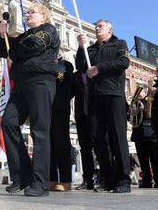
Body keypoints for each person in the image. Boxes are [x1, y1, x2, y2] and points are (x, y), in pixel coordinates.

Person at [0, 3, 60, 197]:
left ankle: (41, 182)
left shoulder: (48, 30)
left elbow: (34, 46)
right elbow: (2, 51)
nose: (28, 14)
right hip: (21, 84)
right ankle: (22, 176)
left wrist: (13, 50)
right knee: (8, 123)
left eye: (33, 12)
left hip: (40, 81)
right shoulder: (23, 36)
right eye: (27, 12)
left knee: (39, 130)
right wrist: (2, 34)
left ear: (43, 17)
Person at [75, 19, 131, 193]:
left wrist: (99, 67)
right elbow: (81, 67)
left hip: (114, 94)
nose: (97, 28)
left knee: (118, 137)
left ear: (110, 29)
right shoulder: (90, 49)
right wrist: (80, 47)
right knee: (97, 137)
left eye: (101, 26)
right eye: (96, 27)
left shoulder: (119, 43)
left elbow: (123, 62)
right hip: (95, 97)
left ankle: (123, 180)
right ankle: (108, 178)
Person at [49, 52, 75, 191]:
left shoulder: (66, 65)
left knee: (61, 144)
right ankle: (51, 179)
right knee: (49, 146)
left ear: (58, 54)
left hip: (60, 108)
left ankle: (65, 180)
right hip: (45, 109)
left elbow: (64, 77)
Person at [129, 88, 158, 188]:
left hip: (151, 134)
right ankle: (146, 180)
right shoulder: (134, 104)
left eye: (140, 92)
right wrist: (132, 112)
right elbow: (130, 118)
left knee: (155, 160)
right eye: (137, 92)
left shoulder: (150, 101)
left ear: (145, 92)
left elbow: (154, 115)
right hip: (138, 134)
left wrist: (143, 111)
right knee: (143, 161)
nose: (138, 94)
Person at [70, 69, 95, 190]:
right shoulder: (75, 76)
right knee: (85, 149)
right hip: (80, 116)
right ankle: (87, 180)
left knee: (101, 146)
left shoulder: (96, 70)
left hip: (96, 114)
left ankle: (106, 177)